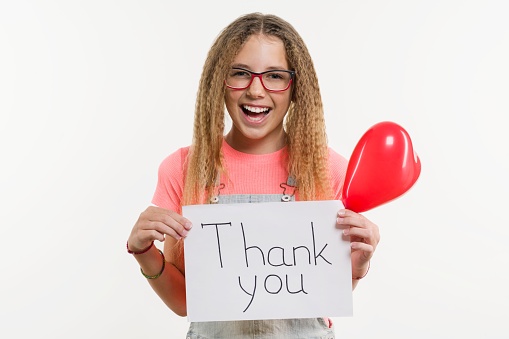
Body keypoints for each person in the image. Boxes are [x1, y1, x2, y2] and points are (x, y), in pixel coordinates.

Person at [127, 12, 380, 338]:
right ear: (219, 80)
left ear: (295, 86)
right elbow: (186, 302)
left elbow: (319, 295)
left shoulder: (328, 170)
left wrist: (358, 265)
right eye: (241, 73)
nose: (256, 90)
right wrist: (144, 251)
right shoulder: (182, 168)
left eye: (274, 76)